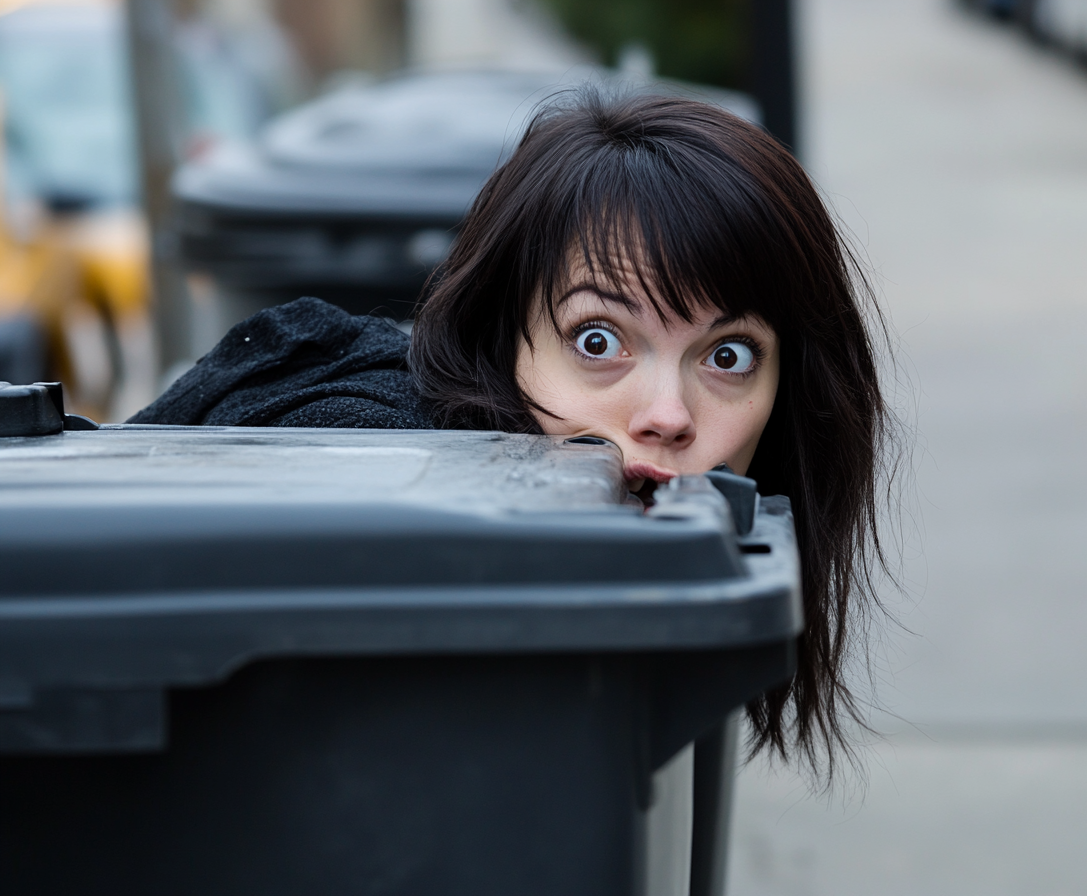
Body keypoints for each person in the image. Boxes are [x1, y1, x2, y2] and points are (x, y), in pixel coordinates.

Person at [131, 89, 899, 777]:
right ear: (502, 342)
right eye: (599, 340)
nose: (667, 414)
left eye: (727, 356)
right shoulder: (375, 475)